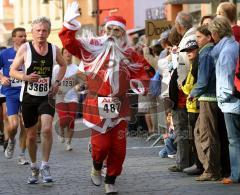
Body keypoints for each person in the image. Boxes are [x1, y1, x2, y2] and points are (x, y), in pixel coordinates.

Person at [59, 2, 153, 194]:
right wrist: (68, 25)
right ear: (103, 29)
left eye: (117, 30)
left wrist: (140, 84)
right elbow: (70, 44)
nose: (112, 33)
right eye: (109, 29)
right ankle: (96, 165)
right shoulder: (92, 47)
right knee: (102, 146)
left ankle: (110, 180)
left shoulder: (129, 53)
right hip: (97, 103)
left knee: (118, 148)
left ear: (122, 33)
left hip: (120, 105)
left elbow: (144, 72)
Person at [9, 17, 66, 184]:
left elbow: (63, 66)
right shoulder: (25, 49)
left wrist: (56, 83)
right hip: (28, 97)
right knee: (32, 136)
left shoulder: (54, 49)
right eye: (38, 30)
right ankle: (34, 167)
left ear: (48, 32)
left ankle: (45, 165)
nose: (41, 33)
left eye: (44, 31)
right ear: (32, 32)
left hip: (47, 97)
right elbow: (12, 71)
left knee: (47, 129)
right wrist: (25, 77)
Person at [208, 17, 240, 184]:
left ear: (215, 33)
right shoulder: (233, 46)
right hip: (233, 100)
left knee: (234, 141)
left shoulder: (226, 51)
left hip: (231, 103)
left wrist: (223, 97)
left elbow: (226, 78)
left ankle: (236, 175)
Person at [0, 28, 29, 165]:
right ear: (14, 38)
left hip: (27, 92)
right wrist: (2, 78)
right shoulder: (5, 53)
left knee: (25, 125)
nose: (23, 38)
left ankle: (22, 155)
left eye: (25, 36)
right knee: (13, 125)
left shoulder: (31, 52)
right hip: (11, 92)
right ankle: (11, 140)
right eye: (20, 36)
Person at [53, 48, 81, 151]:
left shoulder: (76, 68)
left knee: (71, 120)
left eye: (70, 52)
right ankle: (61, 129)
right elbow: (52, 81)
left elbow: (80, 82)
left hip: (73, 97)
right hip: (60, 97)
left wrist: (78, 86)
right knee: (64, 119)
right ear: (62, 55)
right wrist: (56, 88)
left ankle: (68, 142)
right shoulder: (57, 68)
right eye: (65, 52)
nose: (68, 54)